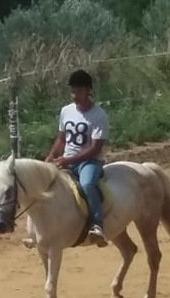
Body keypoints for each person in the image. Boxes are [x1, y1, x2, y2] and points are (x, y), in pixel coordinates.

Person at [45, 69, 109, 247]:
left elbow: (96, 147)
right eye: (72, 91)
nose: (74, 95)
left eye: (78, 91)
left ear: (88, 91)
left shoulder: (98, 115)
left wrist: (69, 161)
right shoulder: (66, 111)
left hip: (90, 162)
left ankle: (98, 225)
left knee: (88, 184)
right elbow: (62, 139)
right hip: (67, 159)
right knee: (45, 183)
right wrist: (51, 157)